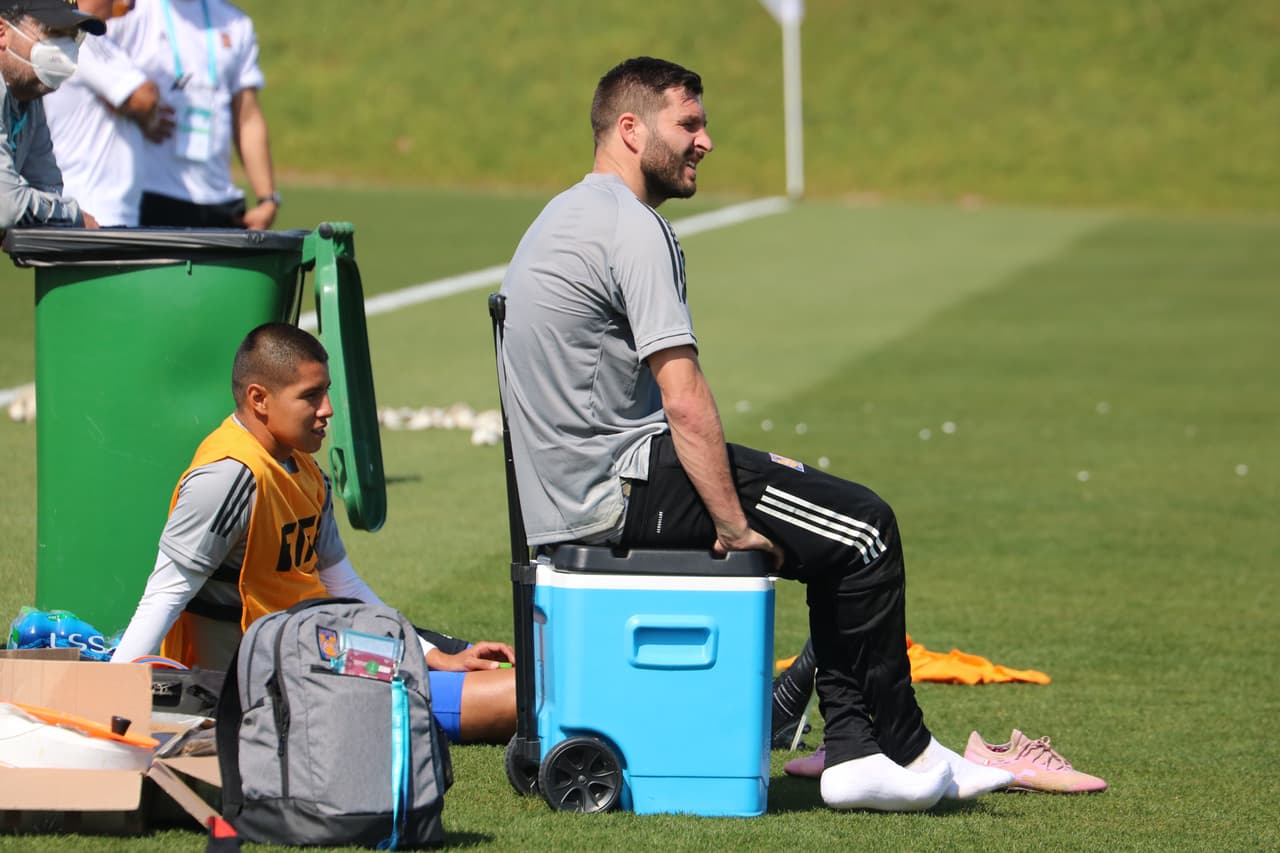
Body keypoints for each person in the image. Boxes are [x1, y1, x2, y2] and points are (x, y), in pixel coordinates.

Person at [497, 57, 1016, 812]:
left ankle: (857, 750)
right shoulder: (632, 228)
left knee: (834, 520)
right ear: (632, 129)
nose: (706, 141)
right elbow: (684, 396)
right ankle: (902, 750)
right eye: (690, 124)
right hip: (622, 486)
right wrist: (734, 524)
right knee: (866, 530)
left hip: (573, 491)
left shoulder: (561, 214)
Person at [111, 323, 517, 745]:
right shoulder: (229, 476)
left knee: (498, 667)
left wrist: (433, 654)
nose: (328, 409)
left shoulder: (303, 467)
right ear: (259, 399)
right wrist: (109, 699)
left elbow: (344, 584)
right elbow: (165, 593)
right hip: (273, 676)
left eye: (325, 391)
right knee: (520, 698)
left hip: (322, 645)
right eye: (310, 396)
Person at [106, 0, 280, 229]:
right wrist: (138, 112)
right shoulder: (130, 10)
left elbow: (247, 117)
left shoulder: (235, 23)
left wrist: (266, 199)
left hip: (219, 200)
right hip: (149, 193)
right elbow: (90, 72)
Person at [44, 0, 173, 227]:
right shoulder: (82, 37)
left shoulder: (79, 35)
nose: (129, 3)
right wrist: (142, 114)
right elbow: (144, 97)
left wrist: (127, 105)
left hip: (94, 207)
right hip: (96, 210)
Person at [0, 0, 103, 231]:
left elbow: (47, 188)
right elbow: (6, 207)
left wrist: (47, 212)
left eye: (70, 36)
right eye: (53, 32)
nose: (64, 49)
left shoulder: (27, 95)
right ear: (2, 33)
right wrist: (73, 216)